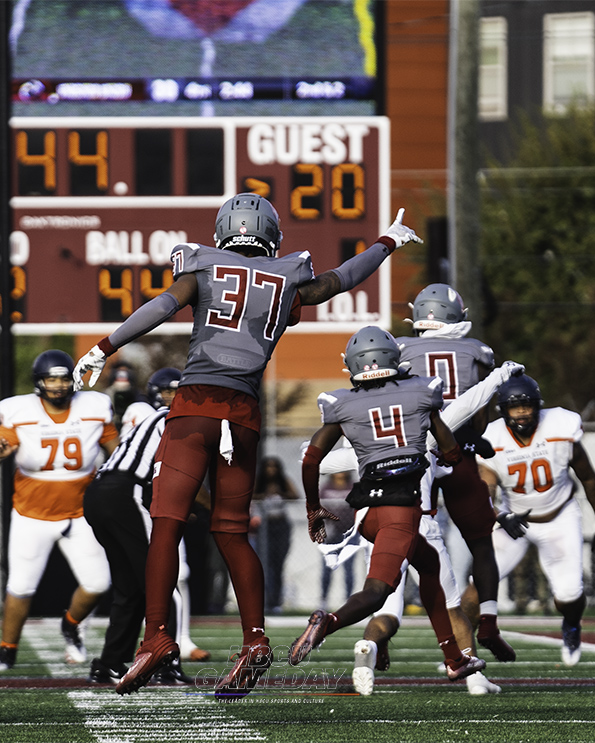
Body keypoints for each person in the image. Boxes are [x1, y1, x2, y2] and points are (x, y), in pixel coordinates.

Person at [72, 193, 423, 700]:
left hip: (196, 405)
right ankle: (254, 639)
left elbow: (162, 306)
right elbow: (341, 279)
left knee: (166, 521)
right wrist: (387, 242)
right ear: (270, 235)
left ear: (223, 231)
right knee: (233, 533)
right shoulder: (287, 276)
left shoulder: (202, 266)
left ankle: (155, 638)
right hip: (245, 413)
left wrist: (105, 346)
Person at [289, 326, 486, 683]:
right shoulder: (421, 392)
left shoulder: (342, 402)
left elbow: (310, 459)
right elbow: (450, 449)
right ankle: (328, 623)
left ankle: (454, 658)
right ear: (396, 358)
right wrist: (459, 455)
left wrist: (312, 506)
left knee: (429, 565)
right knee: (377, 594)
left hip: (368, 514)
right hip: (402, 510)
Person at [319, 360, 524, 696]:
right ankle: (470, 675)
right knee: (450, 604)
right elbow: (469, 404)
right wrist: (500, 375)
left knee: (386, 606)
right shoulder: (422, 426)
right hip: (419, 522)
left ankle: (368, 647)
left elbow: (321, 460)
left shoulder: (364, 431)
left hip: (378, 523)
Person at [393, 283, 515, 662]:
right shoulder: (477, 350)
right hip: (459, 452)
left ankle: (389, 619)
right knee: (481, 541)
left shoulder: (399, 348)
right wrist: (473, 439)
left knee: (407, 535)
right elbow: (481, 408)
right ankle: (489, 620)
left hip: (419, 455)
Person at [84, 367, 209, 685]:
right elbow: (184, 477)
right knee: (163, 581)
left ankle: (110, 662)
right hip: (127, 492)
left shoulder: (151, 417)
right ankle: (167, 662)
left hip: (99, 494)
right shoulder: (178, 420)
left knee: (130, 587)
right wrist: (219, 510)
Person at [461, 373, 595, 667]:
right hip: (513, 520)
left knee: (570, 594)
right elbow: (486, 489)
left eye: (527, 406)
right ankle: (462, 652)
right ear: (503, 411)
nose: (522, 413)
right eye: (515, 407)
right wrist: (500, 515)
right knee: (476, 589)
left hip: (558, 515)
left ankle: (571, 624)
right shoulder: (493, 438)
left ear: (538, 406)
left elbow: (587, 476)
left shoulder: (560, 425)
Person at [0, 350, 118, 672]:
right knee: (21, 586)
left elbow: (116, 450)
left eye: (64, 378)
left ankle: (70, 625)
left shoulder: (94, 406)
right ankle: (7, 651)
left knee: (97, 583)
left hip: (80, 512)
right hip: (30, 513)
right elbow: (4, 445)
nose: (58, 386)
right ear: (39, 383)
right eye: (51, 379)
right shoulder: (16, 410)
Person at [117, 366, 211, 662]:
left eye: (177, 391)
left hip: (165, 495)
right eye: (167, 391)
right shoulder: (142, 411)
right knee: (142, 575)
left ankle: (180, 638)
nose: (172, 397)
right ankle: (152, 639)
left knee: (179, 573)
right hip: (140, 495)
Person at [251, 456, 300, 614]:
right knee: (263, 565)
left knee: (278, 565)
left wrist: (280, 492)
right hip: (263, 526)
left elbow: (295, 495)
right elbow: (249, 497)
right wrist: (264, 495)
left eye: (274, 467)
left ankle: (276, 601)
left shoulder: (283, 481)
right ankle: (262, 600)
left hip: (280, 525)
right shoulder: (258, 483)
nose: (271, 470)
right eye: (268, 467)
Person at [319, 471, 356, 607]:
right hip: (330, 533)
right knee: (327, 568)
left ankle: (348, 599)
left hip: (348, 533)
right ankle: (323, 599)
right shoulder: (326, 487)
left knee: (349, 569)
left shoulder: (352, 486)